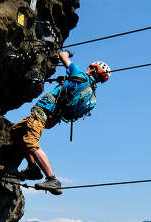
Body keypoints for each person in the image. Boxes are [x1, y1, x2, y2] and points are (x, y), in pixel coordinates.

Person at [10, 51, 110, 195]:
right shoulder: (91, 93)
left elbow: (64, 56)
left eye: (90, 66)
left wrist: (67, 53)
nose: (88, 68)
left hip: (44, 110)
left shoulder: (80, 75)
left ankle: (52, 179)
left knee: (30, 140)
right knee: (16, 131)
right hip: (53, 117)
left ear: (94, 69)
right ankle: (32, 168)